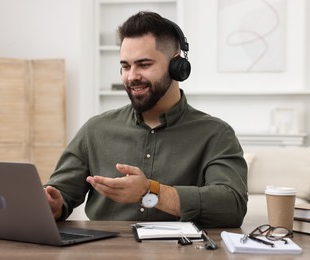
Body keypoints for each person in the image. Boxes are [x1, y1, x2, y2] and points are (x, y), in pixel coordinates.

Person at [44, 11, 248, 228]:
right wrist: (53, 204)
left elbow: (232, 206)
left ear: (177, 67)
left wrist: (151, 191)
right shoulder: (95, 130)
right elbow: (60, 194)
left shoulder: (215, 134)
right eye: (125, 66)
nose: (132, 76)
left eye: (144, 64)